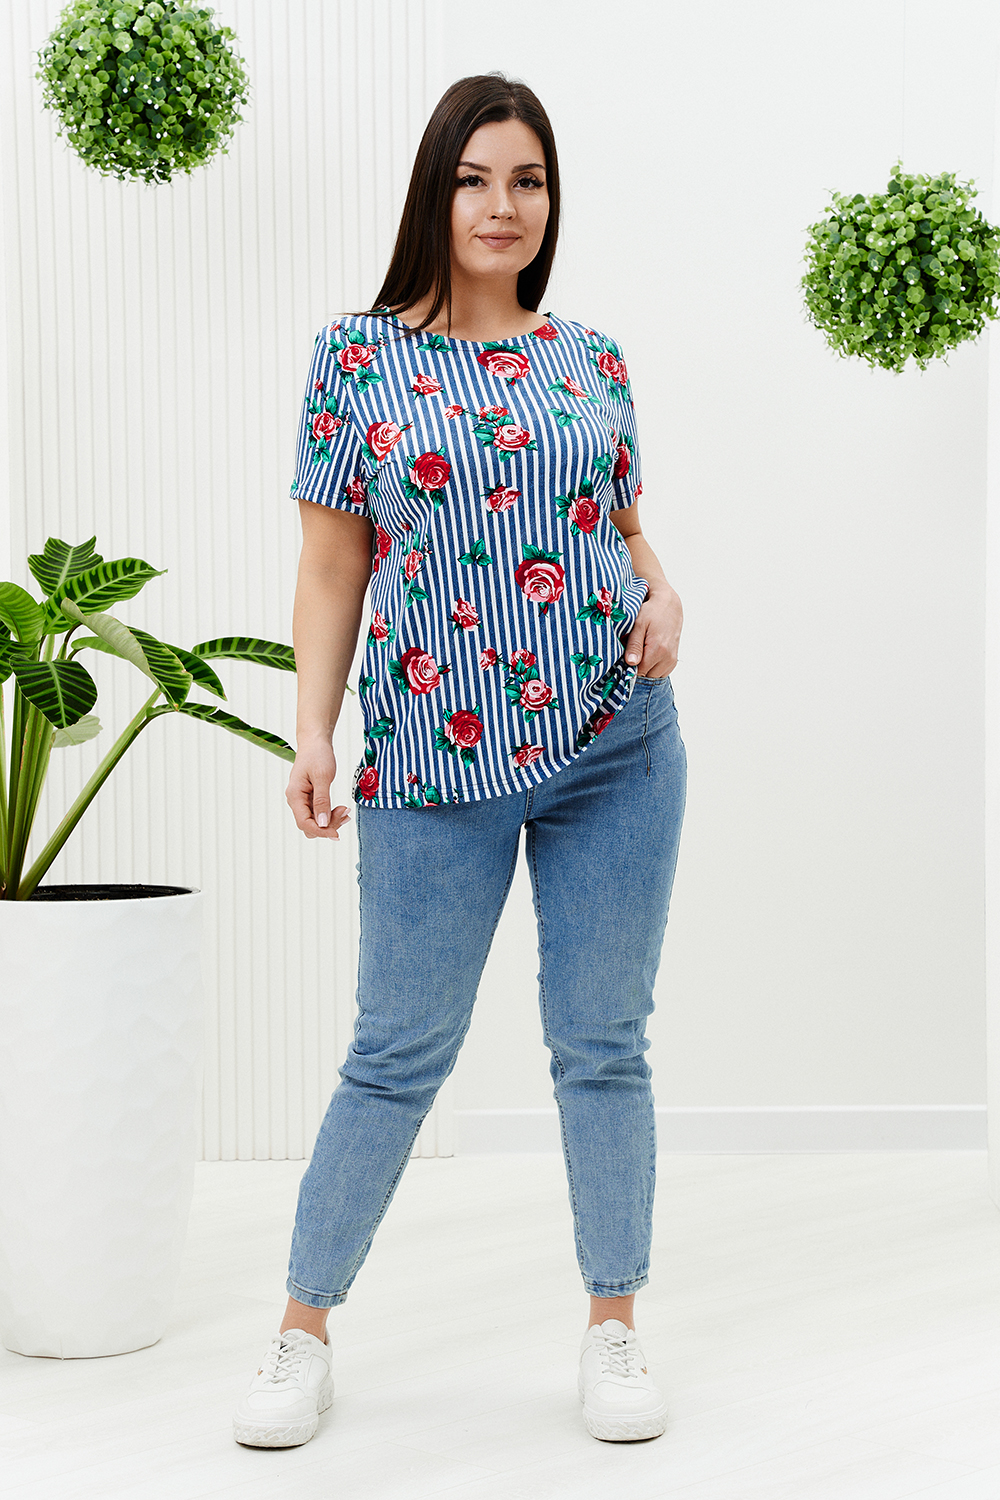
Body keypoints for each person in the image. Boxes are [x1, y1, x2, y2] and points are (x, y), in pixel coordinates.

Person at [234, 71, 686, 1450]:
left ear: (551, 202)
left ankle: (614, 1325)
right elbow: (332, 565)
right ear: (435, 192)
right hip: (434, 763)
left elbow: (621, 529)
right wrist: (315, 731)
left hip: (617, 742)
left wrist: (664, 590)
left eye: (527, 182)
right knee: (395, 1053)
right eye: (476, 179)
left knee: (603, 1046)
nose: (503, 206)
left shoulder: (592, 358)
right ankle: (302, 1333)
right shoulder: (357, 358)